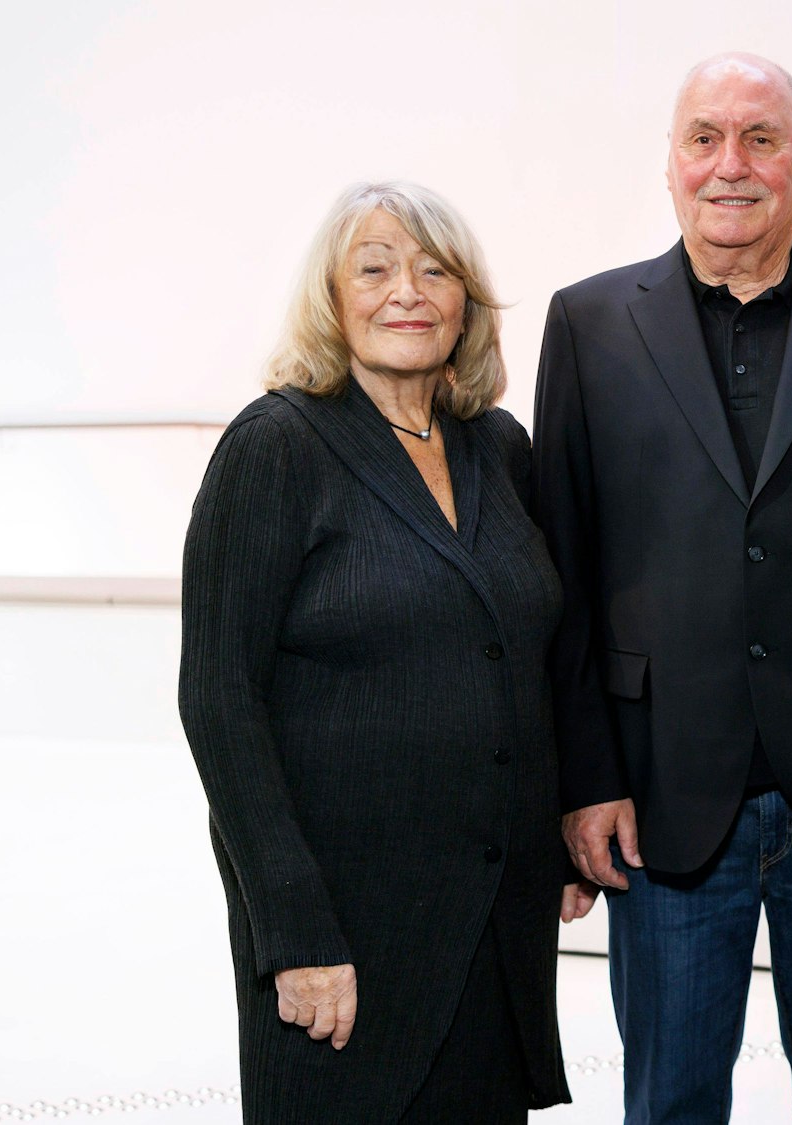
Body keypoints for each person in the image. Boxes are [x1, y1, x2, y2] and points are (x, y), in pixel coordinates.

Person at [530, 52, 792, 1124]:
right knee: (668, 1103)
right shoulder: (587, 323)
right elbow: (559, 578)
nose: (730, 165)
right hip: (659, 799)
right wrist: (583, 779)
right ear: (669, 163)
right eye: (704, 137)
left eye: (761, 140)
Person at [179, 182, 579, 1122]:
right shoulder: (274, 446)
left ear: (466, 302)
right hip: (344, 933)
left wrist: (554, 830)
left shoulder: (497, 447)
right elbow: (219, 698)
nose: (408, 290)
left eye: (434, 269)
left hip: (489, 922)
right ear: (332, 296)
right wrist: (296, 931)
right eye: (376, 267)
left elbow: (522, 653)